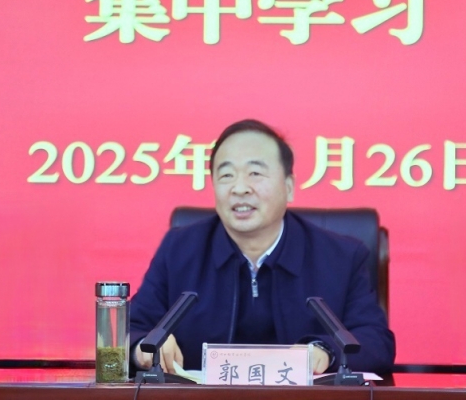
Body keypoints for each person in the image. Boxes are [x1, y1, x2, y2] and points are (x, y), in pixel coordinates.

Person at [130, 119, 395, 375]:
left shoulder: (341, 257)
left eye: (255, 173)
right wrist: (143, 347)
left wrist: (326, 351)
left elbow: (375, 341)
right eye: (226, 175)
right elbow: (130, 329)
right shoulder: (179, 250)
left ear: (289, 187)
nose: (239, 188)